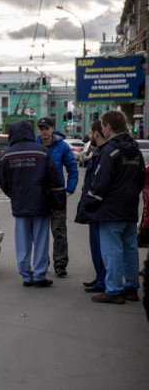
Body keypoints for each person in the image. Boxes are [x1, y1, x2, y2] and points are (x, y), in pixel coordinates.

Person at [81, 110, 145, 304]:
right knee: (130, 249)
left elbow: (100, 183)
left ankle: (114, 290)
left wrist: (89, 203)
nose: (101, 128)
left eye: (102, 125)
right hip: (130, 208)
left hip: (110, 210)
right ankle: (131, 288)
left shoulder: (110, 150)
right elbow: (142, 176)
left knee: (112, 251)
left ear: (108, 127)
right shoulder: (135, 150)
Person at [0, 120, 67, 288]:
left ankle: (26, 276)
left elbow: (4, 183)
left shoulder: (7, 154)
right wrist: (58, 203)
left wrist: (14, 195)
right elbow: (54, 180)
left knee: (22, 242)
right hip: (41, 204)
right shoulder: (42, 151)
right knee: (41, 241)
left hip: (20, 204)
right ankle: (39, 275)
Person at [35, 116, 79, 277]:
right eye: (41, 128)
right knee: (40, 233)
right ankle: (42, 263)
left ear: (53, 128)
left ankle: (60, 265)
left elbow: (72, 169)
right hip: (39, 196)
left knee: (59, 232)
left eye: (46, 128)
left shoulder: (62, 147)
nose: (44, 132)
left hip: (57, 196)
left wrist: (69, 190)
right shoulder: (34, 145)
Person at [75, 121, 107, 292]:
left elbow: (99, 183)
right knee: (96, 246)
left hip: (98, 208)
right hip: (95, 208)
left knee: (102, 247)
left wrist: (89, 202)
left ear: (97, 132)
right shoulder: (99, 152)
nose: (88, 135)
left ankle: (104, 281)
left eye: (90, 131)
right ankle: (100, 277)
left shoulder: (105, 152)